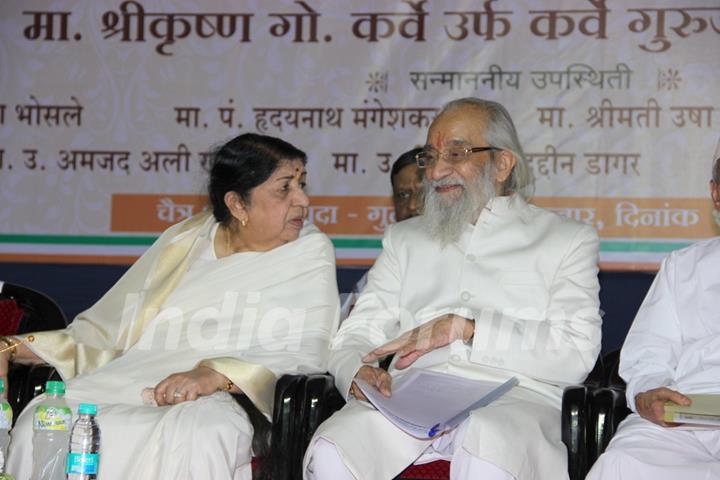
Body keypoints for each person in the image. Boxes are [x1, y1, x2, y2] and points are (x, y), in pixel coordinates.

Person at [2, 133, 340, 479]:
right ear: (238, 204)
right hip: (133, 378)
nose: (302, 200)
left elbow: (307, 345)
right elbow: (107, 329)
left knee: (200, 435)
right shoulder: (186, 239)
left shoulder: (309, 251)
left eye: (302, 185)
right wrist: (12, 347)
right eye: (286, 188)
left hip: (230, 394)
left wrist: (215, 375)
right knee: (41, 419)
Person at [304, 97, 601, 480]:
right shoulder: (405, 238)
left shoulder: (566, 239)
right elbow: (357, 332)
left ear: (502, 164)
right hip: (408, 398)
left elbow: (576, 353)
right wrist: (356, 370)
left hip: (516, 401)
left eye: (456, 153)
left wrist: (468, 330)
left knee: (486, 445)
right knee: (332, 449)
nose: (438, 170)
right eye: (431, 156)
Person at [586, 154, 720, 479]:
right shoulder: (683, 266)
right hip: (688, 418)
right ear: (716, 194)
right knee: (620, 463)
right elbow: (648, 355)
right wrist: (650, 391)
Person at [339, 147, 423, 321]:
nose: (413, 205)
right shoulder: (385, 268)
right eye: (403, 195)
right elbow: (353, 328)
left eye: (423, 193)